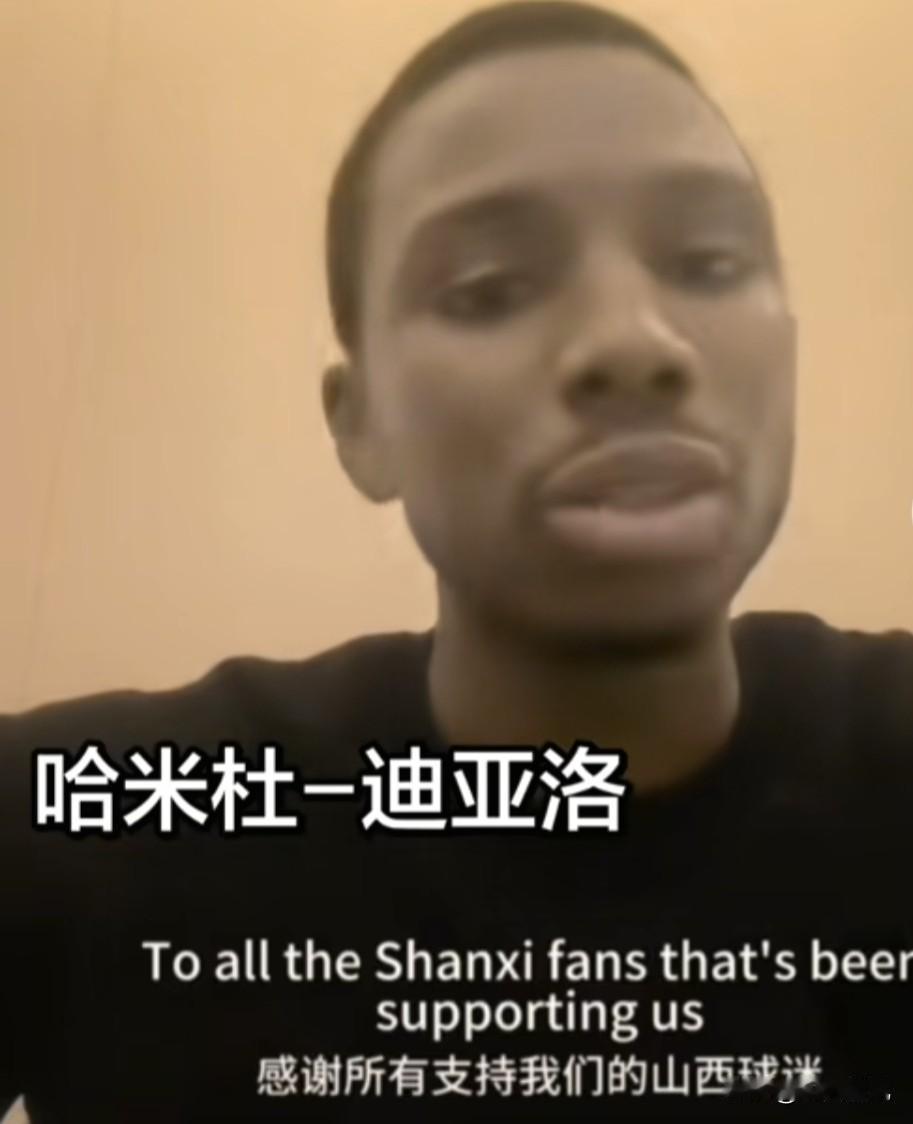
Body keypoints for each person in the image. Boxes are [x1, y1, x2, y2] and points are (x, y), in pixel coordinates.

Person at [1, 2, 911, 1119]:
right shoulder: (96, 823)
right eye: (487, 288)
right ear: (360, 423)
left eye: (710, 262)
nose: (635, 341)